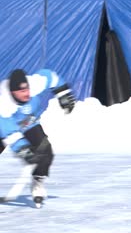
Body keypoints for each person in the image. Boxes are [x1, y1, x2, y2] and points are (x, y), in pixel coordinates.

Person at [0, 69, 76, 205]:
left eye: (27, 89)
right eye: (22, 92)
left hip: (28, 124)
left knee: (46, 152)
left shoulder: (35, 83)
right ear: (12, 92)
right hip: (5, 129)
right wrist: (23, 150)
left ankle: (37, 182)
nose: (27, 93)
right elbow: (9, 133)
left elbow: (51, 77)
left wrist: (63, 93)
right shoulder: (3, 103)